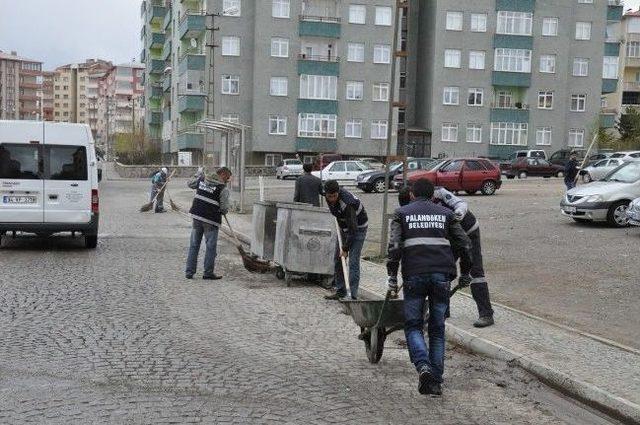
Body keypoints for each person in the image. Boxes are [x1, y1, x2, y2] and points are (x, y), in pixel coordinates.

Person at [387, 179, 472, 396]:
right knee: (437, 329)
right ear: (433, 196)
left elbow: (395, 247)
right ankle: (435, 381)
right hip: (442, 275)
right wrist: (466, 273)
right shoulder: (445, 213)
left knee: (414, 326)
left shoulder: (401, 213)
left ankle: (423, 367)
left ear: (412, 195)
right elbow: (464, 244)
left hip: (414, 274)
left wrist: (392, 277)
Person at [433, 187, 494, 328]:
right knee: (443, 271)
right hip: (451, 237)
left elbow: (461, 203)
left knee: (475, 271)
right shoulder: (420, 205)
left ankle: (486, 314)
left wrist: (458, 214)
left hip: (468, 231)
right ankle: (443, 311)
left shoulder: (440, 193)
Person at [323, 180, 368, 300]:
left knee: (353, 261)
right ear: (326, 194)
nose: (332, 199)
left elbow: (353, 230)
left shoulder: (347, 204)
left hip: (358, 229)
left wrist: (346, 248)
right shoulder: (327, 195)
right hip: (344, 228)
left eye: (334, 196)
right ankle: (341, 290)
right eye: (329, 196)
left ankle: (352, 295)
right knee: (338, 259)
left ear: (338, 193)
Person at [185, 167, 232, 280]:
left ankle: (189, 272)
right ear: (223, 175)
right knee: (210, 247)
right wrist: (223, 210)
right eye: (228, 178)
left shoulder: (202, 179)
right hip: (211, 220)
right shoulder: (222, 188)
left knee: (194, 245)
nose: (228, 180)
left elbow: (189, 184)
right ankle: (208, 273)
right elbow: (224, 208)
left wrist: (198, 173)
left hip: (197, 216)